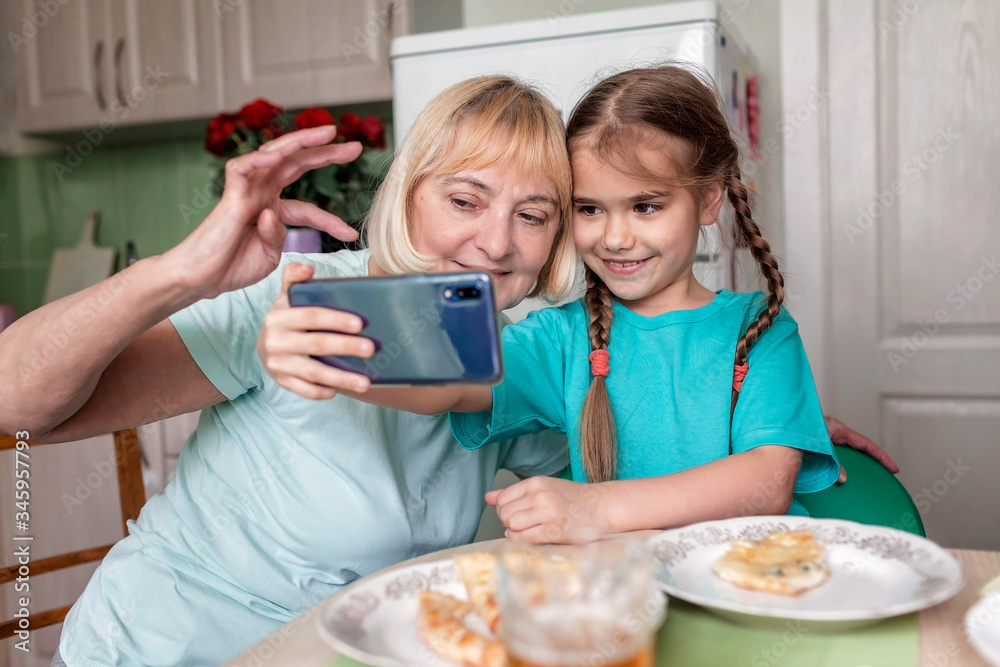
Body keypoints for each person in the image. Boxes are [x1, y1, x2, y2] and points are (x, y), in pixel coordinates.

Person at [0, 75, 890, 666]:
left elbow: (633, 442)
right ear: (409, 189)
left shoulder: (522, 346)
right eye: (465, 200)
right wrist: (193, 281)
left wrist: (773, 419)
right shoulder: (300, 294)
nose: (496, 241)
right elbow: (21, 402)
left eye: (536, 214)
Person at [273, 66, 855, 544]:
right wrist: (336, 352)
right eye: (589, 209)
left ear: (707, 200)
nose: (616, 237)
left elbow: (764, 482)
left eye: (646, 206)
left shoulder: (761, 329)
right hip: (619, 600)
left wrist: (595, 508)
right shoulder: (560, 340)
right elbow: (446, 379)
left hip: (747, 588)